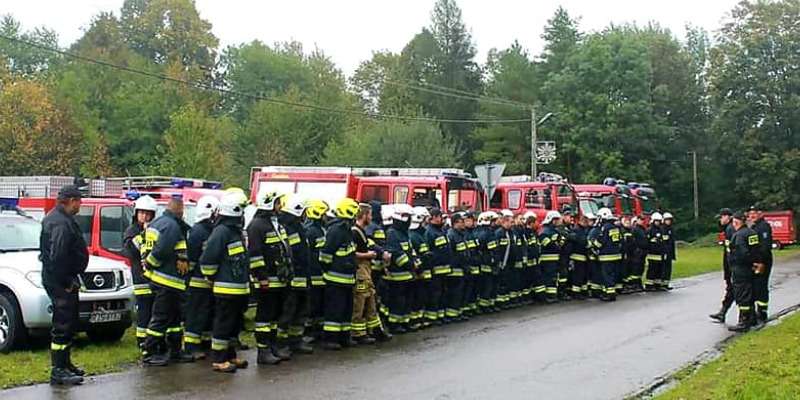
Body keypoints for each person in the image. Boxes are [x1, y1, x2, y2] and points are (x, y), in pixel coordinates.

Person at [40, 185, 89, 385]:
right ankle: (58, 370)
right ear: (70, 200)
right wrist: (67, 281)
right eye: (79, 201)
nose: (80, 204)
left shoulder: (63, 219)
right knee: (63, 323)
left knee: (69, 322)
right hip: (61, 280)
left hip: (65, 278)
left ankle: (65, 363)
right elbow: (58, 256)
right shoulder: (59, 222)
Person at [200, 191, 251, 373]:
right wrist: (212, 277)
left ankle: (230, 355)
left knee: (233, 325)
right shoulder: (221, 232)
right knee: (223, 324)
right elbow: (208, 260)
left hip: (239, 290)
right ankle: (219, 359)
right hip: (226, 290)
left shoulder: (234, 232)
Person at [140, 196, 193, 366]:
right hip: (166, 281)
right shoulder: (171, 226)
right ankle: (149, 352)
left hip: (169, 281)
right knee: (161, 318)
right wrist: (150, 264)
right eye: (182, 209)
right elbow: (161, 250)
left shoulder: (158, 223)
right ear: (179, 209)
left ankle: (175, 351)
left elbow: (146, 247)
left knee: (174, 320)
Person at [247, 192, 289, 365]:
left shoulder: (274, 224)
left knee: (274, 315)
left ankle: (272, 346)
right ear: (270, 205)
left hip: (278, 278)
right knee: (265, 315)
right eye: (278, 203)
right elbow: (255, 255)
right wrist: (262, 277)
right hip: (267, 279)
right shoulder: (257, 226)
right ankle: (263, 350)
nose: (280, 206)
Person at [319, 198, 361, 350]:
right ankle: (330, 339)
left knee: (346, 310)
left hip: (347, 278)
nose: (356, 216)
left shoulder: (346, 229)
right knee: (334, 311)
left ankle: (344, 337)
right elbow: (325, 255)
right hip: (336, 279)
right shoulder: (336, 230)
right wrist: (330, 270)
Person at [184, 196, 220, 359]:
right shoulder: (198, 231)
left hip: (208, 283)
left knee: (206, 315)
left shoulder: (209, 230)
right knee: (195, 315)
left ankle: (204, 342)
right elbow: (191, 258)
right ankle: (191, 346)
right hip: (197, 283)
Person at [277, 198, 314, 355]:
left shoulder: (298, 227)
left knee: (301, 311)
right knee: (288, 312)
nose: (306, 215)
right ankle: (281, 343)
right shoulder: (287, 228)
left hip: (302, 277)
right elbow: (291, 253)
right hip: (293, 279)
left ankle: (296, 340)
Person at [351, 203, 391, 343]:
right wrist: (368, 255)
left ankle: (375, 330)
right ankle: (358, 333)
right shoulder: (354, 232)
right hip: (359, 271)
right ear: (364, 215)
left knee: (371, 301)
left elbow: (371, 244)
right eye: (370, 215)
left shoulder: (362, 232)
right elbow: (352, 253)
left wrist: (380, 253)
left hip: (366, 270)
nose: (371, 217)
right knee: (360, 301)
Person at [122, 195, 158, 351]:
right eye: (142, 213)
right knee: (143, 311)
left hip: (154, 277)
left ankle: (152, 341)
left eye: (148, 213)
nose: (145, 216)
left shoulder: (155, 230)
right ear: (136, 213)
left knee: (153, 311)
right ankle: (142, 341)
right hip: (140, 277)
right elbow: (129, 251)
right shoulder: (132, 230)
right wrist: (144, 235)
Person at [728, 211, 764, 332]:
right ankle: (752, 318)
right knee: (750, 293)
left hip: (741, 268)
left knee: (742, 295)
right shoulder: (752, 233)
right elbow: (756, 250)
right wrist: (755, 262)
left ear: (736, 222)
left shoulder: (739, 235)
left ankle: (744, 321)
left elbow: (742, 253)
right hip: (751, 268)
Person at [383, 204, 418, 331]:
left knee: (407, 300)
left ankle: (404, 322)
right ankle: (394, 324)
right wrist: (410, 264)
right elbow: (396, 254)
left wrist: (416, 261)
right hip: (397, 275)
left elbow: (410, 250)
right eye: (407, 217)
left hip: (407, 274)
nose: (409, 220)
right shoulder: (392, 233)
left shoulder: (404, 234)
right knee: (398, 301)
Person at [304, 200, 330, 340]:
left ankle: (318, 330)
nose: (326, 216)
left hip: (321, 273)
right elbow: (309, 255)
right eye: (324, 213)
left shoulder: (321, 229)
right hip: (314, 274)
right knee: (312, 304)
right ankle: (309, 331)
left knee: (320, 303)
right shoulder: (310, 231)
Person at [425, 208, 451, 324]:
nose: (442, 219)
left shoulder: (440, 231)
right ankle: (433, 317)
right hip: (436, 269)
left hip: (444, 268)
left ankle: (441, 315)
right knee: (435, 294)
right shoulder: (429, 232)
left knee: (443, 293)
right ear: (434, 217)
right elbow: (429, 251)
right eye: (440, 216)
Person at [710, 208, 736, 323]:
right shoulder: (728, 228)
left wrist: (730, 267)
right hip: (729, 264)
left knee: (734, 290)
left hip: (732, 266)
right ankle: (723, 312)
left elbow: (732, 250)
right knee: (731, 289)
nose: (720, 220)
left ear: (728, 217)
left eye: (721, 217)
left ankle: (748, 316)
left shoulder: (731, 229)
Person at [748, 206, 773, 324]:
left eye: (754, 213)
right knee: (756, 286)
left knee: (761, 286)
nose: (752, 215)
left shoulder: (763, 226)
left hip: (763, 261)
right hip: (755, 261)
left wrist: (761, 262)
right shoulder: (754, 226)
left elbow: (765, 246)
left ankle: (762, 312)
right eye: (750, 213)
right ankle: (757, 311)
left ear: (760, 214)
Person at [409, 206, 432, 327]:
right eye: (425, 219)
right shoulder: (413, 236)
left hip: (425, 272)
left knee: (422, 297)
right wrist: (419, 269)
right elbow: (415, 256)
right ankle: (414, 320)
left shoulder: (421, 234)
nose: (427, 222)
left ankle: (419, 318)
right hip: (418, 273)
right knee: (416, 297)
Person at [595, 208, 623, 301]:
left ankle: (610, 294)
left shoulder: (605, 227)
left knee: (607, 275)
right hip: (616, 255)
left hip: (606, 256)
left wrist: (593, 245)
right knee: (613, 274)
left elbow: (601, 241)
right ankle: (610, 291)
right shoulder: (616, 227)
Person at [494, 210, 519, 308]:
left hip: (510, 261)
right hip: (502, 262)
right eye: (510, 222)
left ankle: (507, 300)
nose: (512, 224)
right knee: (501, 283)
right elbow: (498, 249)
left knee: (508, 281)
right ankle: (500, 302)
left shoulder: (511, 233)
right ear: (504, 222)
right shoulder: (499, 233)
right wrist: (499, 262)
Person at [476, 211, 498, 312]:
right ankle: (484, 305)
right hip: (486, 263)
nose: (495, 223)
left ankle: (489, 303)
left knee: (491, 285)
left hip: (490, 262)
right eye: (493, 221)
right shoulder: (484, 233)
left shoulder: (489, 232)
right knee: (486, 285)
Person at [538, 211, 563, 303]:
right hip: (547, 259)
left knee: (553, 277)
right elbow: (549, 245)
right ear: (553, 220)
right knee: (549, 277)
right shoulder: (544, 232)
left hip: (554, 259)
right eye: (558, 220)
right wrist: (557, 243)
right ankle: (549, 296)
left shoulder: (554, 231)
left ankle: (552, 295)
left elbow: (559, 245)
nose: (560, 221)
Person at [523, 212, 544, 302]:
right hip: (530, 262)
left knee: (536, 280)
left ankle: (537, 297)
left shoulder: (533, 233)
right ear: (531, 223)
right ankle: (528, 297)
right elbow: (528, 248)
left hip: (535, 261)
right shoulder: (527, 233)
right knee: (528, 280)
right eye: (536, 222)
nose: (538, 224)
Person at [569, 214, 590, 299]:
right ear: (582, 221)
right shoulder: (577, 230)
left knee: (584, 275)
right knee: (578, 276)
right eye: (586, 222)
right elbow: (582, 242)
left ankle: (583, 291)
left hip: (583, 257)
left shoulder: (583, 230)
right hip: (577, 257)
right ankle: (576, 293)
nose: (588, 224)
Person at [463, 212, 481, 315]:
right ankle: (466, 308)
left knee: (474, 288)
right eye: (469, 220)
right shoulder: (464, 234)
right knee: (467, 289)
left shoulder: (473, 233)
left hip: (475, 264)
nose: (472, 222)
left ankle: (472, 307)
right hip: (469, 265)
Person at [644, 212, 665, 291]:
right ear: (653, 221)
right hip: (652, 254)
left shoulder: (661, 230)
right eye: (656, 221)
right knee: (652, 270)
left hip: (659, 254)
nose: (658, 223)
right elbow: (647, 242)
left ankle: (657, 284)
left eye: (659, 221)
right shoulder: (650, 230)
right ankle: (649, 285)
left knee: (659, 270)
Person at [661, 212, 676, 290]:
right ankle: (662, 284)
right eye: (667, 220)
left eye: (669, 220)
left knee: (668, 268)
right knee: (664, 268)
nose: (668, 221)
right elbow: (664, 243)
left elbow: (671, 242)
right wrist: (665, 253)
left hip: (669, 252)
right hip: (665, 252)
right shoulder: (663, 229)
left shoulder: (670, 229)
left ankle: (666, 284)